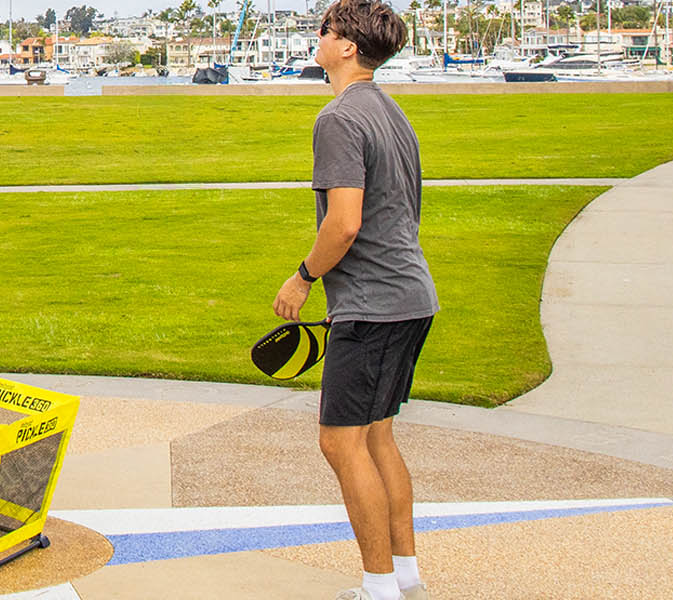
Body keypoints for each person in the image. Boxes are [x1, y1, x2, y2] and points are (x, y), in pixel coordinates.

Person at [271, 2, 437, 599]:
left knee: (341, 440)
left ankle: (378, 587)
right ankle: (405, 577)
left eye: (323, 30)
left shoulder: (339, 118)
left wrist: (302, 277)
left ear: (345, 47)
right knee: (377, 437)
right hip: (411, 295)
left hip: (373, 304)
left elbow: (343, 223)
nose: (316, 38)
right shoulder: (393, 113)